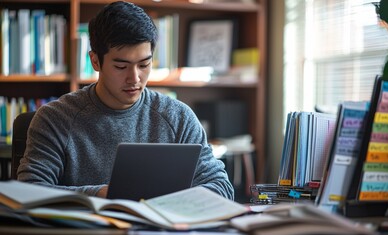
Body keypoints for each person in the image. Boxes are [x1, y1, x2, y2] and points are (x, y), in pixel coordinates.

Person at [17, 1, 234, 200]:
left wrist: (169, 200)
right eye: (121, 67)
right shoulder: (56, 118)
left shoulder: (178, 117)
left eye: (144, 64)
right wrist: (99, 193)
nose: (135, 78)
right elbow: (28, 190)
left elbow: (221, 188)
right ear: (95, 61)